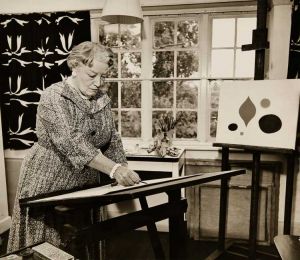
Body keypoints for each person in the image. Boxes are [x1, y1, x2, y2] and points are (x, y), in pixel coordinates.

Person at [7, 41, 141, 252]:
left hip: (85, 183)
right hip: (49, 179)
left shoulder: (101, 99)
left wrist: (122, 169)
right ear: (75, 66)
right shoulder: (54, 96)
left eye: (102, 76)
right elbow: (71, 141)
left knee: (82, 242)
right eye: (91, 75)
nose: (98, 82)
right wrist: (114, 170)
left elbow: (112, 139)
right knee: (48, 245)